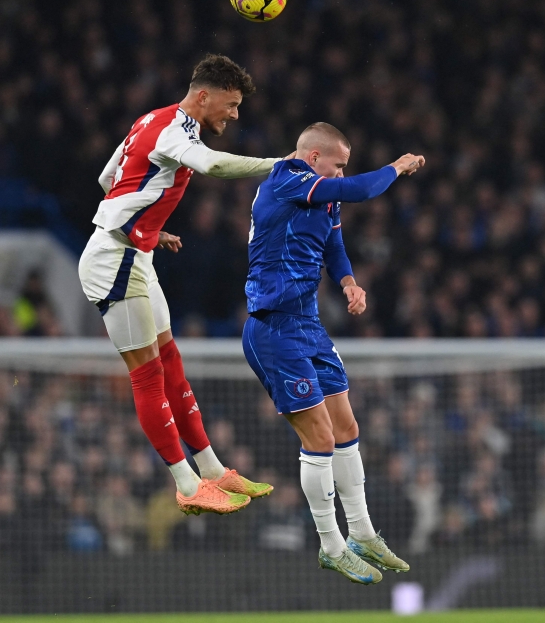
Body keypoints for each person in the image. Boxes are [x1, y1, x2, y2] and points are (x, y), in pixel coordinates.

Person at [79, 54, 281, 515]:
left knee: (170, 363)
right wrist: (280, 164)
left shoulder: (151, 119)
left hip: (135, 253)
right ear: (203, 96)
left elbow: (109, 178)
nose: (235, 115)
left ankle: (212, 469)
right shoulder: (175, 132)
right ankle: (187, 484)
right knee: (148, 375)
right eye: (231, 104)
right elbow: (214, 167)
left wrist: (148, 225)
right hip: (113, 261)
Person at [242, 121, 424, 584]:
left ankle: (362, 533)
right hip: (273, 327)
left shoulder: (323, 195)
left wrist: (348, 282)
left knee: (347, 428)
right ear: (313, 158)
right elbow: (360, 189)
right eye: (338, 165)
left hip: (308, 326)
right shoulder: (287, 180)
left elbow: (334, 243)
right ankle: (331, 545)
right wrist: (397, 167)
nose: (343, 173)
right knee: (320, 438)